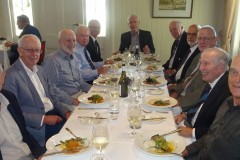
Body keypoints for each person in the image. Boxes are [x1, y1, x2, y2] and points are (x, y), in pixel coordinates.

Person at [3, 34, 70, 147]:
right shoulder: (11, 76)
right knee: (73, 137)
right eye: (30, 50)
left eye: (37, 50)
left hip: (54, 114)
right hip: (37, 128)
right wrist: (43, 119)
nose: (35, 54)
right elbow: (13, 114)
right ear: (20, 51)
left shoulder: (40, 69)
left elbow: (52, 97)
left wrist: (65, 111)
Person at [182, 55, 240, 160]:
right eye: (234, 72)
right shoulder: (228, 102)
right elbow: (211, 135)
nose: (237, 79)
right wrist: (188, 150)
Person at [175, 47, 231, 140]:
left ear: (220, 67)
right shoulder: (213, 79)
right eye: (201, 63)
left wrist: (192, 132)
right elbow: (201, 105)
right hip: (188, 125)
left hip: (199, 138)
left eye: (206, 64)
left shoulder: (227, 91)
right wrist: (185, 114)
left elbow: (219, 130)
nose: (201, 68)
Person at [0, 70, 46, 160]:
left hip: (29, 155)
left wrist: (40, 155)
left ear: (3, 76)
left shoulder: (9, 97)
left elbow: (25, 133)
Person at [170, 25, 219, 109]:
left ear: (215, 40)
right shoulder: (199, 55)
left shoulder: (219, 60)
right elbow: (186, 78)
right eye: (199, 38)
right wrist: (175, 92)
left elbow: (203, 92)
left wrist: (178, 101)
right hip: (181, 96)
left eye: (205, 38)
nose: (202, 41)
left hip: (190, 106)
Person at [43, 29, 92, 111]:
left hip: (80, 96)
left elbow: (81, 82)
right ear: (59, 42)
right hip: (66, 102)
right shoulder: (52, 60)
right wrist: (72, 100)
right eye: (68, 40)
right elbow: (51, 88)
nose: (72, 44)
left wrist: (95, 90)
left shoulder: (73, 58)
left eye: (74, 40)